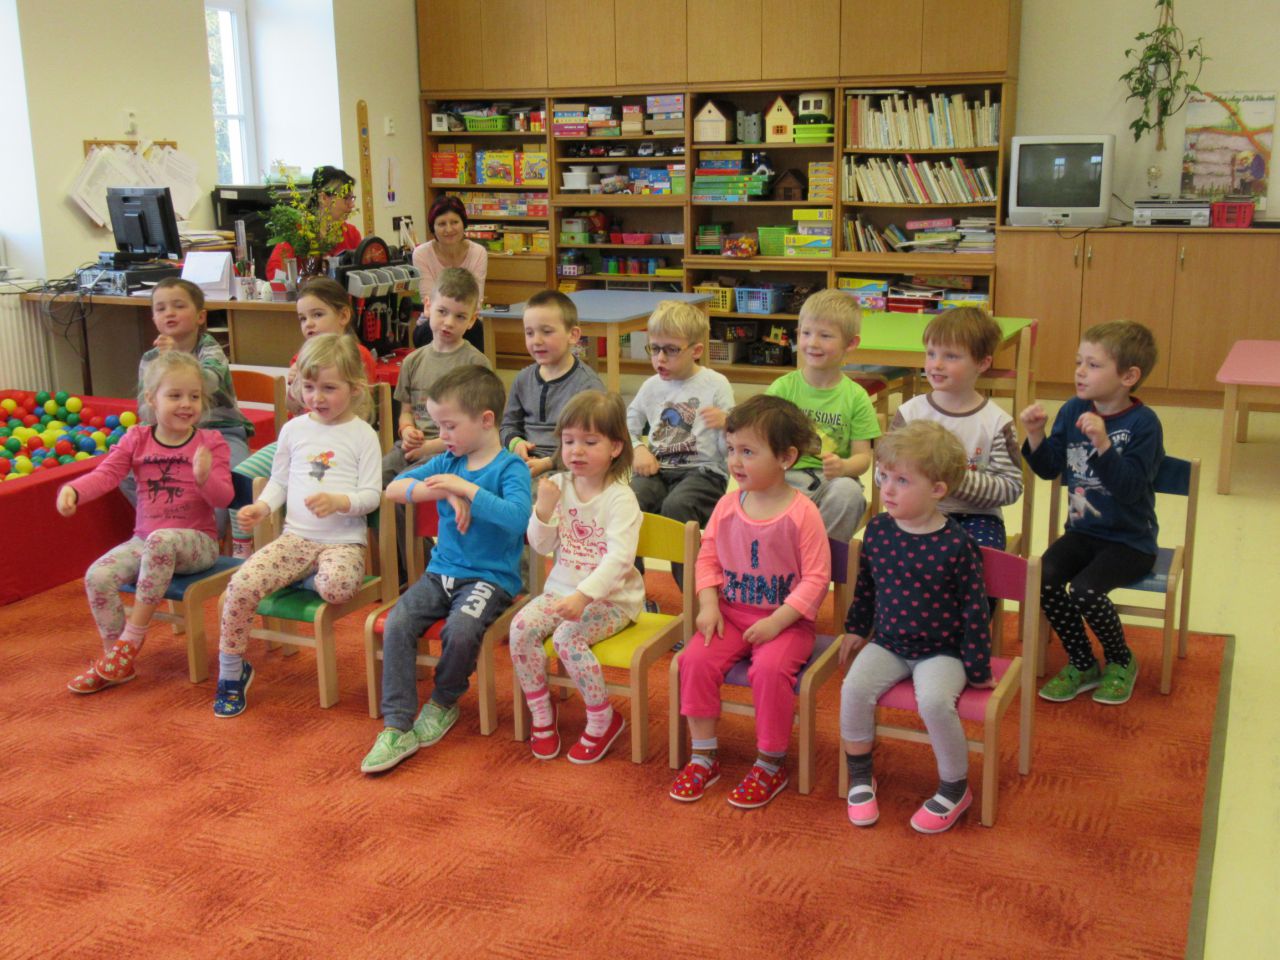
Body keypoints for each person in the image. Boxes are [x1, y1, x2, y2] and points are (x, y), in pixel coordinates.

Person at [361, 365, 531, 775]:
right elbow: (394, 488)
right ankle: (397, 724)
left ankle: (443, 701)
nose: (442, 434)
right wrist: (444, 490)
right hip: (441, 573)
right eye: (438, 425)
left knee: (462, 630)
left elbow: (517, 518)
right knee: (398, 623)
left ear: (486, 420)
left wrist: (465, 489)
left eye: (449, 426)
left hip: (490, 579)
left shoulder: (510, 468)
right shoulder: (448, 461)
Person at [669, 395, 831, 809]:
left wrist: (778, 621)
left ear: (786, 458)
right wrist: (708, 604)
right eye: (731, 450)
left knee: (770, 671)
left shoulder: (803, 513)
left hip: (786, 624)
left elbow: (816, 579)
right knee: (694, 661)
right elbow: (707, 558)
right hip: (730, 615)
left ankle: (770, 762)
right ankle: (703, 755)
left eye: (748, 452)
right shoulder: (726, 505)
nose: (735, 462)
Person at [839, 421, 994, 834]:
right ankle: (860, 775)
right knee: (853, 689)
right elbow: (867, 586)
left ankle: (955, 788)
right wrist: (856, 628)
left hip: (941, 650)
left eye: (902, 480)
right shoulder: (878, 530)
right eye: (884, 476)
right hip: (889, 643)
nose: (887, 489)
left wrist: (977, 667)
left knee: (934, 702)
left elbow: (975, 611)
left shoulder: (957, 545)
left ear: (938, 489)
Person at [216, 334, 383, 718]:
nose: (316, 397)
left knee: (337, 587)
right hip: (296, 538)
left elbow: (372, 495)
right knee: (241, 584)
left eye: (329, 388)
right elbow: (279, 481)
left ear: (355, 388)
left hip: (343, 541)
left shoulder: (363, 434)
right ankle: (231, 671)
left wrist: (340, 502)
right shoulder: (294, 430)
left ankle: (299, 575)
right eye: (309, 387)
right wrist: (261, 507)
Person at [59, 352, 233, 693]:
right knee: (98, 576)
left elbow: (223, 499)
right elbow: (106, 475)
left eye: (194, 396)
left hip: (197, 545)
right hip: (146, 541)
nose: (186, 404)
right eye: (175, 395)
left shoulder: (210, 442)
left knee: (160, 541)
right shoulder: (136, 438)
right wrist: (73, 490)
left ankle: (131, 639)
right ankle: (116, 661)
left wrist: (204, 478)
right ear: (152, 398)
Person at [1020, 320, 1163, 707]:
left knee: (1085, 590)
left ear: (1128, 377)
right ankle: (1082, 661)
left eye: (1094, 365)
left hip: (1130, 542)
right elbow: (1050, 469)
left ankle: (1120, 659)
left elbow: (1130, 489)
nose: (1080, 372)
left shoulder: (1144, 424)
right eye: (1078, 362)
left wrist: (1102, 444)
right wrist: (1035, 434)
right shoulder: (1073, 409)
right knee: (1042, 578)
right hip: (1083, 533)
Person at [509, 391, 643, 763]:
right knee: (520, 629)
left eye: (590, 442)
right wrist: (542, 510)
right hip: (561, 591)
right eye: (568, 441)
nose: (576, 451)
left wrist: (583, 596)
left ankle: (603, 719)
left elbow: (619, 560)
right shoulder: (559, 485)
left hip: (612, 600)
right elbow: (540, 546)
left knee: (568, 638)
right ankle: (541, 712)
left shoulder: (620, 498)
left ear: (615, 447)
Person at [228, 276, 377, 558]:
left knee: (309, 482)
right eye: (302, 318)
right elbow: (293, 408)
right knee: (241, 476)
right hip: (304, 439)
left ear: (343, 316)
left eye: (317, 315)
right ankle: (243, 546)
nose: (309, 324)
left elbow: (361, 407)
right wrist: (296, 386)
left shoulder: (355, 355)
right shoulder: (302, 357)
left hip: (341, 442)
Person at [383, 268, 491, 576]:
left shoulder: (474, 364)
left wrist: (429, 446)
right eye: (443, 311)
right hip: (412, 446)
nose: (448, 322)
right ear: (428, 306)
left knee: (402, 488)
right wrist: (407, 429)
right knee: (371, 482)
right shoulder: (413, 361)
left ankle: (418, 570)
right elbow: (406, 410)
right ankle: (392, 566)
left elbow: (475, 431)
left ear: (472, 320)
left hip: (453, 452)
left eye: (460, 316)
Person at [891, 307, 1023, 549]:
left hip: (977, 518)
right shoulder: (909, 413)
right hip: (915, 510)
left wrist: (953, 479)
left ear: (982, 363)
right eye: (931, 354)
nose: (936, 364)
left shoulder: (997, 422)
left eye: (951, 356)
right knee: (886, 544)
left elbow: (1011, 487)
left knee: (976, 556)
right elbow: (883, 473)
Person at [627, 300, 734, 587]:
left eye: (671, 350)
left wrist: (727, 423)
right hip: (658, 469)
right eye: (655, 348)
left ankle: (695, 593)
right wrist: (638, 448)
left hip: (704, 472)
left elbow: (741, 434)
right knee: (627, 502)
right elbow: (626, 424)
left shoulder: (716, 384)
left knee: (677, 507)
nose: (660, 358)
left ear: (696, 351)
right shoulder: (651, 386)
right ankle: (630, 588)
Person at [764, 289, 879, 541]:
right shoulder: (782, 388)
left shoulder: (856, 397)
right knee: (751, 493)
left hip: (833, 482)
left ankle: (820, 557)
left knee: (849, 494)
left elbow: (863, 458)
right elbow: (762, 440)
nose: (812, 343)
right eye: (806, 333)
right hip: (786, 478)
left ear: (851, 343)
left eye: (825, 336)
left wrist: (844, 466)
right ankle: (785, 556)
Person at [131, 279, 253, 496]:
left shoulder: (210, 349)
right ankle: (164, 514)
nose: (169, 313)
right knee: (128, 473)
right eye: (161, 309)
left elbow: (209, 383)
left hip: (220, 431)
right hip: (170, 435)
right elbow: (145, 409)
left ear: (200, 317)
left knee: (231, 476)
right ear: (154, 319)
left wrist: (176, 358)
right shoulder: (150, 359)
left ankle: (213, 518)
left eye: (179, 306)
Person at [500, 289, 604, 479]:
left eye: (546, 332)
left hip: (568, 466)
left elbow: (593, 443)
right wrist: (515, 443)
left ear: (573, 335)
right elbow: (508, 425)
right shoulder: (522, 379)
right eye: (529, 333)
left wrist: (548, 463)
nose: (536, 341)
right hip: (523, 462)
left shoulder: (587, 386)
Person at [411, 195, 489, 351]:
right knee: (428, 332)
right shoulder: (421, 254)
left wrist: (457, 319)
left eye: (454, 222)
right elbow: (430, 300)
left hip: (466, 319)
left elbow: (474, 299)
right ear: (433, 227)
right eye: (441, 224)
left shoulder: (478, 252)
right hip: (433, 320)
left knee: (474, 330)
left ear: (463, 223)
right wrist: (447, 320)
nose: (448, 229)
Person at [264, 165, 361, 281]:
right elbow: (275, 274)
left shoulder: (351, 234)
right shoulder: (297, 234)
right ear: (324, 198)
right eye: (346, 198)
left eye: (352, 198)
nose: (352, 205)